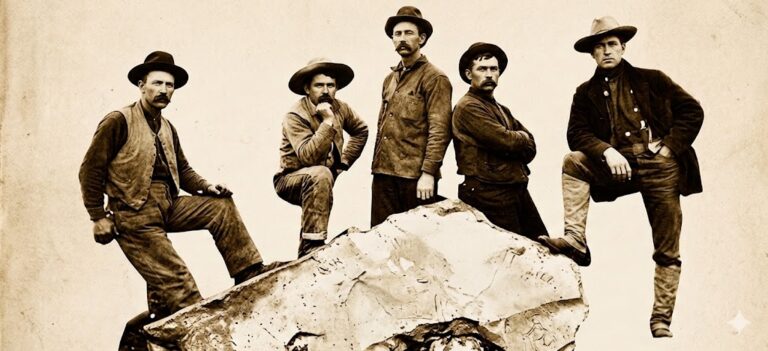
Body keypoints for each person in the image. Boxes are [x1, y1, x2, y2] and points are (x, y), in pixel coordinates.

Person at [79, 51, 269, 350]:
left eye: (170, 86)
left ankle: (249, 272)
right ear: (141, 85)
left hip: (168, 205)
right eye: (157, 83)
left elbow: (183, 171)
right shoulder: (119, 121)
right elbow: (90, 169)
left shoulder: (167, 127)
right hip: (134, 216)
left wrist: (208, 187)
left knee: (221, 207)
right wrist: (97, 216)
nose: (164, 90)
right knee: (181, 288)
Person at [538, 17, 704, 338]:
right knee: (573, 162)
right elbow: (576, 134)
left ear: (623, 47)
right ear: (592, 54)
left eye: (611, 44)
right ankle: (575, 240)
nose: (606, 51)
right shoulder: (584, 93)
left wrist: (669, 147)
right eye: (599, 46)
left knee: (667, 247)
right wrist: (605, 151)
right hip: (619, 166)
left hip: (660, 167)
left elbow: (691, 111)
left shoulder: (652, 80)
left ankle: (661, 320)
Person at [452, 42, 548, 239]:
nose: (489, 74)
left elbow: (531, 148)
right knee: (510, 255)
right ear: (469, 74)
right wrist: (519, 138)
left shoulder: (502, 110)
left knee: (542, 247)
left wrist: (519, 139)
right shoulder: (468, 107)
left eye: (493, 69)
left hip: (514, 189)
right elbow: (506, 141)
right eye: (482, 69)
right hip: (488, 193)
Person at [275, 58, 369, 257]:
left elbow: (361, 130)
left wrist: (344, 162)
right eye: (319, 85)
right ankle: (312, 245)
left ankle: (307, 248)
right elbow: (308, 157)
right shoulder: (295, 115)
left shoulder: (341, 107)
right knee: (319, 174)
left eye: (331, 85)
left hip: (320, 178)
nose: (325, 91)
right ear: (307, 89)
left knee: (321, 176)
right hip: (290, 179)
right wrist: (327, 121)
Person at [370, 6, 452, 226]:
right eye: (397, 34)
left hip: (415, 179)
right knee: (381, 241)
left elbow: (440, 130)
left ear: (422, 38)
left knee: (417, 243)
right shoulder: (390, 79)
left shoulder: (435, 78)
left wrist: (428, 174)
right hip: (383, 174)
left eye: (408, 33)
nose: (402, 39)